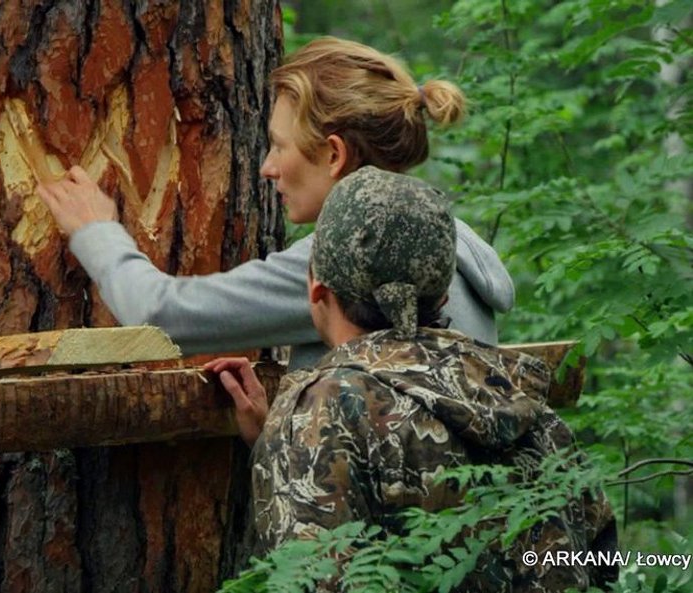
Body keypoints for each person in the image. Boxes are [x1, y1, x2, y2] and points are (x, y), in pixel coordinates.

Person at [207, 166, 617, 591]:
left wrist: (291, 437)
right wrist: (275, 439)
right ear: (441, 294)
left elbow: (311, 578)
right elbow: (600, 561)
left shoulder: (326, 410)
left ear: (315, 286)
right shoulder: (523, 399)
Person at [37, 37, 514, 370]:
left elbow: (160, 316)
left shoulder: (346, 258)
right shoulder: (449, 242)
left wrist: (96, 232)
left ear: (333, 154)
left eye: (279, 145)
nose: (266, 167)